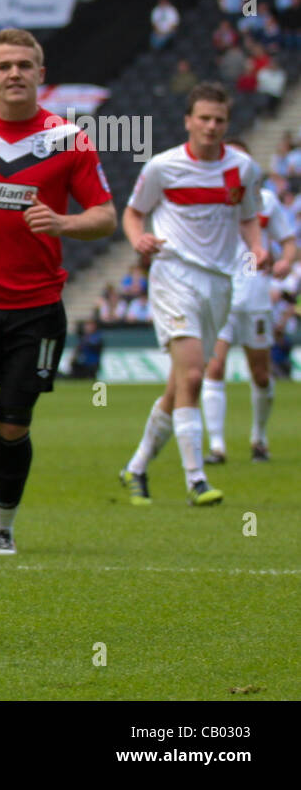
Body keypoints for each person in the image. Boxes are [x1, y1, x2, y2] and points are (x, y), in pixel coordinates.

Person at [0, 28, 117, 555]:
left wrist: (62, 223)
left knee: (15, 425)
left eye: (24, 65)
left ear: (40, 74)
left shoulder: (68, 139)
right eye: (4, 65)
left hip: (35, 311)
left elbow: (105, 216)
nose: (14, 73)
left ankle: (2, 526)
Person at [118, 82, 266, 508]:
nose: (211, 126)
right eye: (203, 118)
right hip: (174, 274)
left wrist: (257, 247)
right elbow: (133, 212)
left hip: (219, 283)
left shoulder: (243, 170)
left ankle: (138, 466)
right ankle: (196, 479)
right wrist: (138, 239)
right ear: (188, 121)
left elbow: (250, 216)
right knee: (196, 377)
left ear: (227, 123)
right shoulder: (163, 167)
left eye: (219, 120)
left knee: (179, 384)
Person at [202, 180, 296, 463]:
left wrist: (286, 262)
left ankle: (259, 438)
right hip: (221, 296)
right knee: (214, 368)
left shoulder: (266, 201)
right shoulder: (209, 198)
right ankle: (217, 447)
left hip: (256, 299)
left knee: (261, 374)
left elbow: (289, 241)